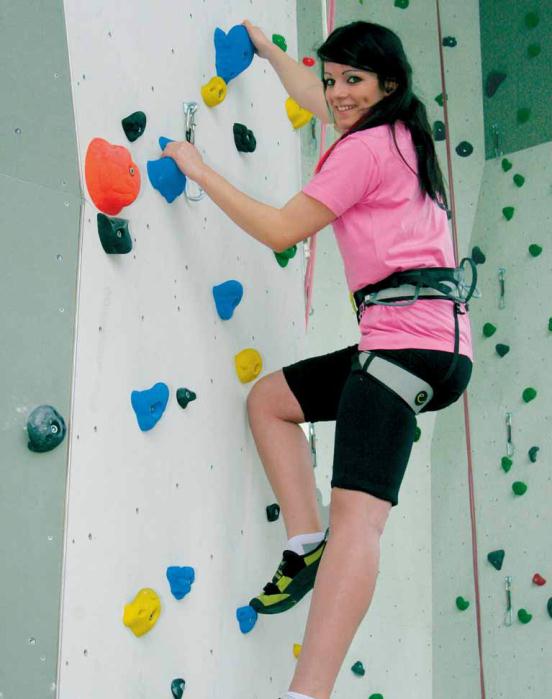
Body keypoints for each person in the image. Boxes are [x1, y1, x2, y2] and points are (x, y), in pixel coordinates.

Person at [162, 19, 474, 699]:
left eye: (352, 80)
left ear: (388, 82)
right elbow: (315, 97)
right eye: (333, 80)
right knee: (270, 401)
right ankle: (305, 542)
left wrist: (198, 168)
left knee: (360, 522)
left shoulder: (362, 151)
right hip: (430, 344)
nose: (336, 94)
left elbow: (281, 230)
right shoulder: (402, 132)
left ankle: (307, 693)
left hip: (401, 345)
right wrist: (271, 50)